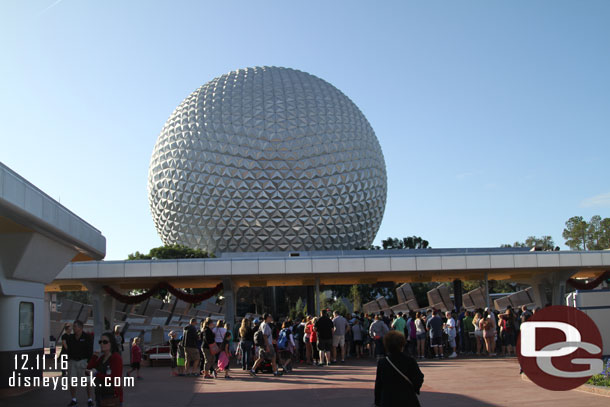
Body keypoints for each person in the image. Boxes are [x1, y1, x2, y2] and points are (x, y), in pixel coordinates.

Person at [374, 330, 424, 407]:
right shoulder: (410, 360)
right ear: (402, 344)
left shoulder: (383, 362)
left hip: (388, 399)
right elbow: (419, 378)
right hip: (407, 398)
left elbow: (379, 384)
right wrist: (414, 389)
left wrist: (377, 401)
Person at [87, 332, 123, 407]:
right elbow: (89, 367)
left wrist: (96, 374)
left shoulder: (116, 358)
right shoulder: (102, 357)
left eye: (105, 342)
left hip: (111, 396)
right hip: (100, 395)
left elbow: (115, 379)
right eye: (100, 342)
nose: (102, 344)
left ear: (111, 343)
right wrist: (95, 356)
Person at [66, 320, 94, 407]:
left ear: (81, 328)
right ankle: (73, 399)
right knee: (72, 381)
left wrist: (88, 363)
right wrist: (69, 359)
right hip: (73, 362)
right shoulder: (70, 338)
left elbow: (90, 351)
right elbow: (69, 350)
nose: (73, 328)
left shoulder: (87, 337)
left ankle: (90, 399)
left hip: (84, 362)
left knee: (87, 381)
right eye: (73, 326)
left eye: (75, 326)